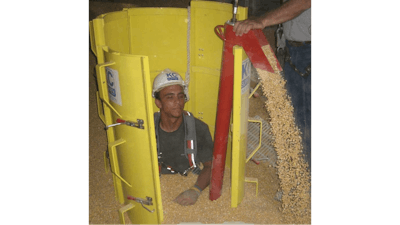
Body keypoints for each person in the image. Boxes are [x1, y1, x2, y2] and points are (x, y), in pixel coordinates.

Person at [233, 0, 312, 171]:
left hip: (308, 53)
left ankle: (304, 186)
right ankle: (299, 181)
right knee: (296, 120)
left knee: (303, 121)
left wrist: (262, 21)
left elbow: (303, 2)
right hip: (294, 51)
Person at [152, 68, 214, 206]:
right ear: (158, 103)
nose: (178, 102)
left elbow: (212, 166)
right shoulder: (147, 129)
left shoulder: (199, 128)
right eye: (170, 97)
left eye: (181, 96)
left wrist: (196, 190)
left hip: (190, 184)